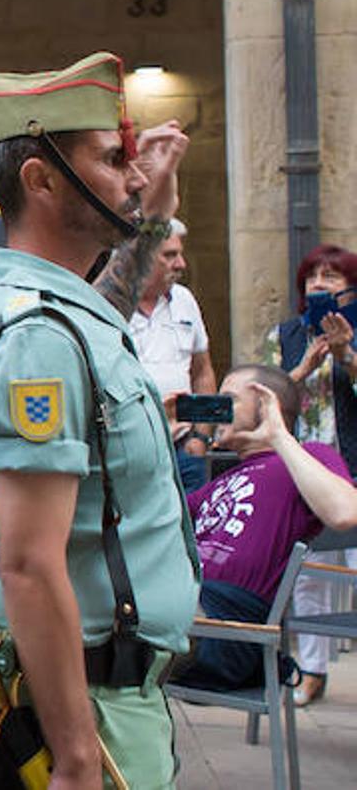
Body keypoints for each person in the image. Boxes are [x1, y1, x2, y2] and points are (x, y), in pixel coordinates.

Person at [0, 52, 199, 788]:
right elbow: (28, 562)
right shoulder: (38, 336)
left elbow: (104, 303)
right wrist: (78, 753)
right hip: (83, 709)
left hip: (90, 693)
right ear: (42, 179)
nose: (136, 175)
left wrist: (155, 206)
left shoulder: (50, 312)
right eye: (114, 159)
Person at [172, 365, 357, 691]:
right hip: (183, 607)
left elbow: (344, 513)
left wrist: (278, 437)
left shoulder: (310, 456)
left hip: (229, 632)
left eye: (229, 401)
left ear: (267, 405)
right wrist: (149, 433)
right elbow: (143, 518)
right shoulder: (222, 480)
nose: (217, 413)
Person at [260, 243, 357, 706]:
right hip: (304, 472)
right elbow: (265, 399)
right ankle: (313, 672)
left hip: (353, 471)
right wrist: (302, 368)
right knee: (311, 577)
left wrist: (347, 356)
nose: (319, 283)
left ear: (349, 289)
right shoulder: (285, 334)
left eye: (331, 277)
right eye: (313, 277)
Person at [130, 218, 216, 489]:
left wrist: (201, 437)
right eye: (169, 255)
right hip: (134, 449)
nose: (181, 264)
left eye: (180, 254)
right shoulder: (110, 305)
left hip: (184, 447)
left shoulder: (184, 300)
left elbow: (202, 371)